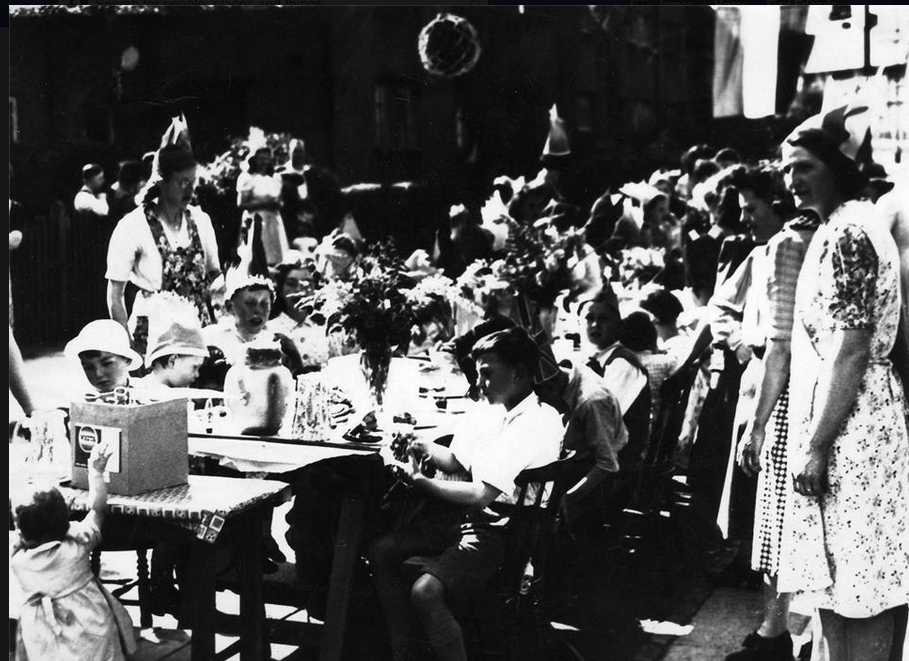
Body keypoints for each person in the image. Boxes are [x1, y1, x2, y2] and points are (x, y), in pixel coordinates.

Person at [776, 105, 909, 661]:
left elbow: (851, 349)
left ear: (836, 165)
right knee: (842, 578)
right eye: (785, 168)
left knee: (865, 580)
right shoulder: (844, 225)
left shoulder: (851, 231)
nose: (791, 179)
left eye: (803, 166)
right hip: (855, 419)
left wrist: (816, 446)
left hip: (853, 428)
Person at [368, 327, 564, 661]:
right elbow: (457, 460)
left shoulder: (536, 421)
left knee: (425, 592)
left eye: (487, 374)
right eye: (477, 374)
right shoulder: (492, 410)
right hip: (474, 522)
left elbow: (480, 496)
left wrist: (419, 481)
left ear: (519, 374)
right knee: (382, 551)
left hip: (505, 533)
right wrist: (420, 445)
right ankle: (402, 648)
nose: (479, 384)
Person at [10, 440, 137, 661]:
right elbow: (98, 510)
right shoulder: (78, 544)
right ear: (66, 521)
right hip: (92, 631)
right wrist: (95, 472)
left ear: (21, 531)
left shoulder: (18, 559)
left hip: (43, 638)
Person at [106, 124, 222, 355]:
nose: (189, 189)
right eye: (182, 182)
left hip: (198, 332)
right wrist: (126, 345)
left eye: (193, 181)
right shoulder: (133, 225)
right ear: (161, 181)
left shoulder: (201, 220)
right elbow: (115, 294)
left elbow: (214, 275)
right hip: (154, 336)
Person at [535, 360, 628, 526]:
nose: (539, 402)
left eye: (540, 398)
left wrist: (569, 498)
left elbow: (607, 464)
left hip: (599, 475)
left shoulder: (592, 400)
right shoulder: (568, 374)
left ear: (551, 386)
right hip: (580, 456)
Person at [582, 286, 651, 465]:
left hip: (617, 464)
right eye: (589, 319)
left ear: (619, 326)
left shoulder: (621, 365)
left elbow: (604, 421)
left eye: (603, 319)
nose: (595, 325)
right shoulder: (597, 361)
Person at [269, 257, 330, 372]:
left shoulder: (325, 329)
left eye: (307, 284)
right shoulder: (268, 330)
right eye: (291, 284)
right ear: (281, 290)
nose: (299, 290)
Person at [237, 146, 287, 267]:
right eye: (260, 159)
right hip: (256, 219)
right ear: (255, 160)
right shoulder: (248, 178)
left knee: (275, 258)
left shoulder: (275, 178)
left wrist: (277, 204)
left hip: (273, 221)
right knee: (256, 256)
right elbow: (241, 204)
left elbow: (280, 201)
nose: (263, 162)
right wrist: (264, 204)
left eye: (266, 159)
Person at [64, 319, 143, 393]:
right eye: (89, 367)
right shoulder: (79, 403)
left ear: (127, 360)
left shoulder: (146, 394)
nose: (98, 373)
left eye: (107, 364)